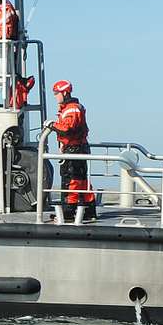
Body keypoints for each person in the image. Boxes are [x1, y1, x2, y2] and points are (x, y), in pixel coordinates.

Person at [44, 80, 97, 221]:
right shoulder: (70, 108)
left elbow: (67, 129)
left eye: (56, 93)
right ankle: (89, 211)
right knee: (81, 180)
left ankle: (68, 212)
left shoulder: (71, 109)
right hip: (76, 148)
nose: (55, 96)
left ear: (65, 93)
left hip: (75, 149)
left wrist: (52, 125)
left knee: (72, 180)